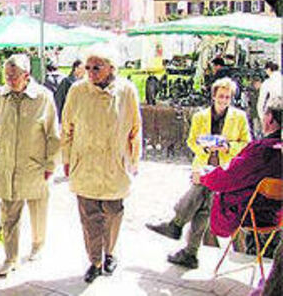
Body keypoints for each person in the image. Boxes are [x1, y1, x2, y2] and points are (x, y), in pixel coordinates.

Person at [146, 77, 251, 269]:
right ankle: (189, 251)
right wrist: (204, 148)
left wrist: (227, 147)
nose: (224, 100)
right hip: (204, 164)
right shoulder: (200, 116)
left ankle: (177, 225)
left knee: (201, 193)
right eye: (221, 96)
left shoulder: (239, 117)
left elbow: (246, 143)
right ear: (213, 96)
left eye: (228, 97)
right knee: (202, 208)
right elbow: (191, 140)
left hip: (224, 169)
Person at [60, 48, 141, 283]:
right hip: (84, 162)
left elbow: (135, 129)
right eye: (88, 67)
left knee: (114, 212)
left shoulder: (126, 91)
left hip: (115, 164)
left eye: (97, 67)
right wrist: (66, 159)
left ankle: (110, 253)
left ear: (111, 68)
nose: (91, 72)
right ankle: (94, 260)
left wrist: (134, 161)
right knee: (89, 215)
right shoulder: (77, 91)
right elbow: (67, 128)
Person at [0, 54, 61, 277]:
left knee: (38, 207)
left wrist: (50, 164)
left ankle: (38, 244)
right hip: (6, 165)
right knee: (9, 213)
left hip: (35, 165)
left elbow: (53, 134)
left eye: (14, 76)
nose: (9, 80)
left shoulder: (43, 97)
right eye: (7, 75)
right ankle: (10, 258)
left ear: (26, 76)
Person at [193, 97, 281, 239]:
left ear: (269, 118)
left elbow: (227, 177)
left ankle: (187, 245)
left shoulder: (262, 150)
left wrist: (203, 176)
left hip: (253, 214)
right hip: (277, 213)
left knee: (203, 192)